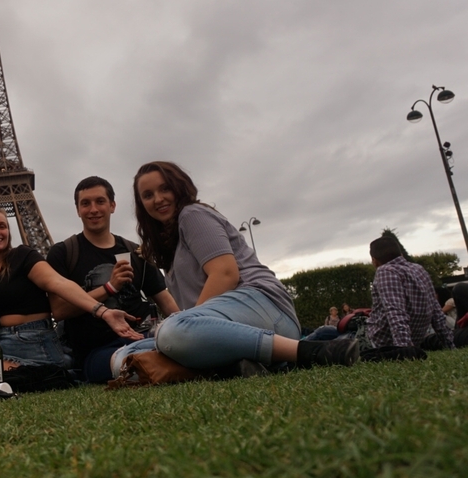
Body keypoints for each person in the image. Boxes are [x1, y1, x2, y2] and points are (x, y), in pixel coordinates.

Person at [112, 161, 359, 377]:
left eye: (164, 188)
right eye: (148, 195)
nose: (158, 199)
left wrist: (185, 323)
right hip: (228, 326)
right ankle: (239, 364)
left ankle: (310, 351)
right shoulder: (171, 246)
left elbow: (225, 274)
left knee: (171, 333)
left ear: (179, 186)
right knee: (123, 358)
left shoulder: (192, 214)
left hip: (264, 306)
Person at [0, 206, 142, 393]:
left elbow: (58, 283)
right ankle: (16, 379)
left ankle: (47, 374)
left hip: (34, 344)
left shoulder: (22, 256)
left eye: (2, 226)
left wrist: (102, 311)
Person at [46, 176, 179, 383]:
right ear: (77, 210)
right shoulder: (63, 253)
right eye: (85, 203)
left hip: (143, 337)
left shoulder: (135, 252)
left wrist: (186, 327)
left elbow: (165, 300)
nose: (93, 209)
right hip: (98, 352)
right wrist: (109, 287)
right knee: (132, 360)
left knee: (162, 348)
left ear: (112, 206)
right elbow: (60, 310)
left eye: (100, 201)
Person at [366, 236, 452, 351]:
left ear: (374, 260)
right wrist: (449, 345)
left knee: (350, 334)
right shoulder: (419, 270)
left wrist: (405, 351)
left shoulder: (385, 271)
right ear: (400, 254)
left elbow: (395, 313)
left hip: (383, 342)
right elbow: (437, 313)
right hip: (416, 338)